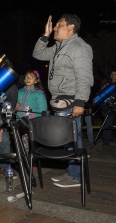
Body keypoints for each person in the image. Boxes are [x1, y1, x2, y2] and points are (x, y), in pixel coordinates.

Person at [33, 14, 94, 187]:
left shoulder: (79, 47)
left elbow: (84, 77)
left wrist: (80, 102)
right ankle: (72, 173)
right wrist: (45, 36)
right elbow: (38, 54)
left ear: (70, 27)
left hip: (70, 101)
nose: (54, 27)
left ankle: (76, 177)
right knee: (67, 141)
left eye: (59, 24)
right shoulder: (58, 47)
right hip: (59, 101)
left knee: (73, 140)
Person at [16, 70, 47, 165]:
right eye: (26, 77)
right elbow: (17, 104)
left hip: (34, 122)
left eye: (31, 77)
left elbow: (43, 110)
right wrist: (16, 105)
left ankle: (33, 162)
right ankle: (25, 163)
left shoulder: (39, 93)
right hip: (22, 122)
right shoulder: (20, 91)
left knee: (34, 143)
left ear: (36, 80)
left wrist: (38, 119)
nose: (28, 79)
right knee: (24, 142)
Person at [100, 69, 116, 147]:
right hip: (109, 108)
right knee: (107, 125)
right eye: (112, 74)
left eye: (115, 74)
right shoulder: (107, 85)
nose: (113, 76)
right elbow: (102, 97)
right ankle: (106, 141)